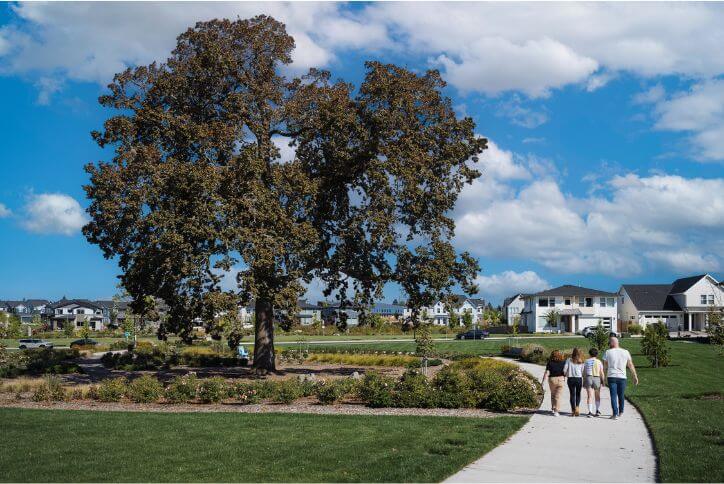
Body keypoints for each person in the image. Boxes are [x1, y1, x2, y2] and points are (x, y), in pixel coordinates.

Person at [603, 336, 639, 420]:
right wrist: (635, 376)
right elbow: (630, 365)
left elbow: (604, 367)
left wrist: (603, 377)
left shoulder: (607, 352)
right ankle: (621, 411)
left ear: (611, 343)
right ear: (618, 342)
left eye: (609, 342)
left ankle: (615, 413)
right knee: (621, 395)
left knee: (613, 395)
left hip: (611, 377)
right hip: (622, 377)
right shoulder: (626, 352)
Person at [542, 349, 566, 416]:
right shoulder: (563, 362)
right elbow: (565, 371)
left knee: (553, 394)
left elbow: (546, 372)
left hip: (552, 379)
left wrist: (543, 381)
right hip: (561, 379)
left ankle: (553, 408)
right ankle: (556, 411)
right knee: (558, 396)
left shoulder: (550, 362)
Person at [583, 347, 606, 417]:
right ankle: (597, 410)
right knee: (597, 395)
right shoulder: (599, 362)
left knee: (590, 395)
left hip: (589, 377)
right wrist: (603, 381)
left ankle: (590, 411)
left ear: (589, 354)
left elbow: (584, 372)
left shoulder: (586, 361)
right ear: (597, 354)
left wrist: (584, 379)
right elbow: (601, 372)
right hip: (597, 378)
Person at [563, 347, 584, 416]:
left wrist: (565, 374)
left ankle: (573, 410)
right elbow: (582, 371)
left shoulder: (569, 360)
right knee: (578, 394)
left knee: (572, 394)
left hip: (571, 378)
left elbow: (564, 369)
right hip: (579, 379)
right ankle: (577, 407)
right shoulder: (581, 361)